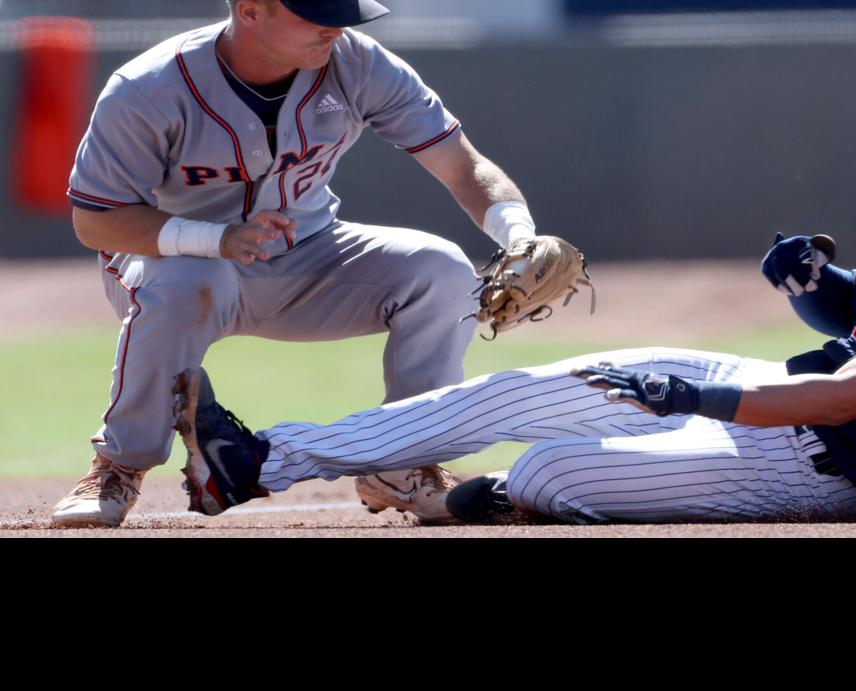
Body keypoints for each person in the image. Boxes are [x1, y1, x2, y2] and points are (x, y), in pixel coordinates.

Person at [170, 118, 856, 525]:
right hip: (772, 399)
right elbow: (853, 315)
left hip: (831, 468)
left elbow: (843, 399)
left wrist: (692, 396)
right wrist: (812, 283)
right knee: (517, 394)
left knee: (548, 467)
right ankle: (256, 464)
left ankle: (484, 505)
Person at [51, 0, 566, 527]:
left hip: (312, 256)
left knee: (443, 271)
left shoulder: (358, 63)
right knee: (189, 278)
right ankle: (118, 467)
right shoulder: (149, 87)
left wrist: (519, 235)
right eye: (316, 13)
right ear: (250, 10)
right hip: (176, 262)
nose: (336, 27)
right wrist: (217, 238)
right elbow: (97, 221)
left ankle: (405, 465)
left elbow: (463, 166)